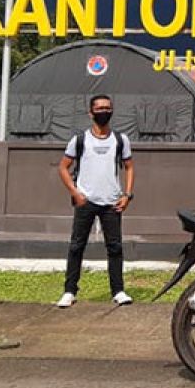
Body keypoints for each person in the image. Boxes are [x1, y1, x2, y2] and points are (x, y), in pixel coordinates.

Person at [56, 95, 135, 308]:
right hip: (86, 201)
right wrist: (75, 192)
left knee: (115, 247)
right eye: (99, 108)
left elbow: (129, 167)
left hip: (112, 202)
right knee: (76, 246)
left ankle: (118, 291)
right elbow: (63, 167)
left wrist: (127, 195)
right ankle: (69, 291)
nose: (103, 111)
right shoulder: (80, 140)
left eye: (107, 108)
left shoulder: (121, 140)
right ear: (91, 113)